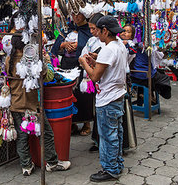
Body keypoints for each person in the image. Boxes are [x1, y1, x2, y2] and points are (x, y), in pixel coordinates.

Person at [6, 35, 71, 176]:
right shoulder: (31, 59)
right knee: (45, 134)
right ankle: (52, 163)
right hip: (32, 105)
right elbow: (48, 75)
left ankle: (26, 166)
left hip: (16, 104)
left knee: (22, 137)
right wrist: (46, 58)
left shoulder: (9, 59)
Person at [79, 16, 127, 182]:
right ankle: (117, 163)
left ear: (105, 31)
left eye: (98, 31)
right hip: (117, 95)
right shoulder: (119, 45)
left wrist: (84, 63)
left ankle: (110, 169)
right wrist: (94, 60)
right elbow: (106, 67)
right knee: (116, 134)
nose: (96, 34)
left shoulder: (108, 49)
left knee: (108, 136)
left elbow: (94, 76)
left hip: (108, 99)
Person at [51, 11, 92, 136]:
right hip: (67, 64)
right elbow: (57, 46)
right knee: (70, 93)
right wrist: (65, 44)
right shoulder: (67, 29)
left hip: (81, 65)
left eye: (78, 14)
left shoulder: (88, 30)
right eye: (73, 15)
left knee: (83, 94)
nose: (76, 17)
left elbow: (90, 45)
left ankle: (86, 122)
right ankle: (72, 123)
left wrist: (78, 46)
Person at [120, 24, 171, 103]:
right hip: (138, 75)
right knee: (161, 78)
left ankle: (144, 96)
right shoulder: (132, 45)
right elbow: (159, 56)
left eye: (127, 32)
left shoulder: (135, 44)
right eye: (124, 31)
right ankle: (150, 95)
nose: (124, 33)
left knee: (155, 74)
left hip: (136, 73)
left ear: (132, 35)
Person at [79, 12, 104, 151]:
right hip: (94, 80)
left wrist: (94, 59)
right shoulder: (91, 41)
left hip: (104, 83)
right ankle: (97, 140)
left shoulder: (109, 43)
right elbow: (83, 54)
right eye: (90, 29)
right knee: (97, 111)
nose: (92, 31)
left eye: (94, 28)